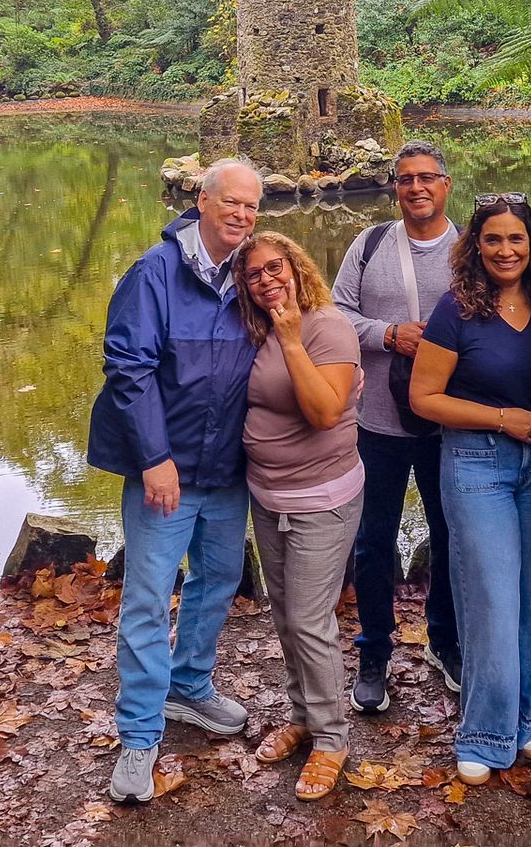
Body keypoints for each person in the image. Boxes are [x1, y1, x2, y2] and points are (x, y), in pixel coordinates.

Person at [87, 158, 264, 805]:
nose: (242, 216)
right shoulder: (155, 272)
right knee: (148, 596)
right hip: (166, 473)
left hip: (228, 470)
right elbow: (128, 368)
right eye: (232, 203)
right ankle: (139, 736)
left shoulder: (254, 274)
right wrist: (154, 457)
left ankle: (189, 686)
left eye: (252, 207)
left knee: (217, 581)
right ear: (203, 200)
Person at [407, 193, 531, 786]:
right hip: (478, 464)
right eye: (493, 239)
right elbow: (423, 398)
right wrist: (501, 419)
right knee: (492, 600)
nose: (505, 250)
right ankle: (482, 734)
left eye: (516, 239)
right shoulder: (458, 309)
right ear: (476, 246)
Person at [231, 230, 364, 801]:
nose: (267, 280)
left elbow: (323, 412)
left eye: (275, 267)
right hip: (270, 498)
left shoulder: (324, 327)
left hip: (322, 502)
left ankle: (332, 737)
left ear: (297, 266)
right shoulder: (258, 329)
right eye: (254, 274)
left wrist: (290, 340)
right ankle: (304, 715)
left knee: (311, 621)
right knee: (285, 615)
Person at [331, 140, 461, 712]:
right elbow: (336, 314)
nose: (416, 188)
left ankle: (446, 642)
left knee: (453, 537)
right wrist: (389, 335)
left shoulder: (472, 250)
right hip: (377, 424)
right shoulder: (370, 243)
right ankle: (374, 652)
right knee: (373, 541)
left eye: (426, 178)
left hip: (448, 426)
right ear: (395, 188)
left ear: (445, 184)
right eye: (405, 179)